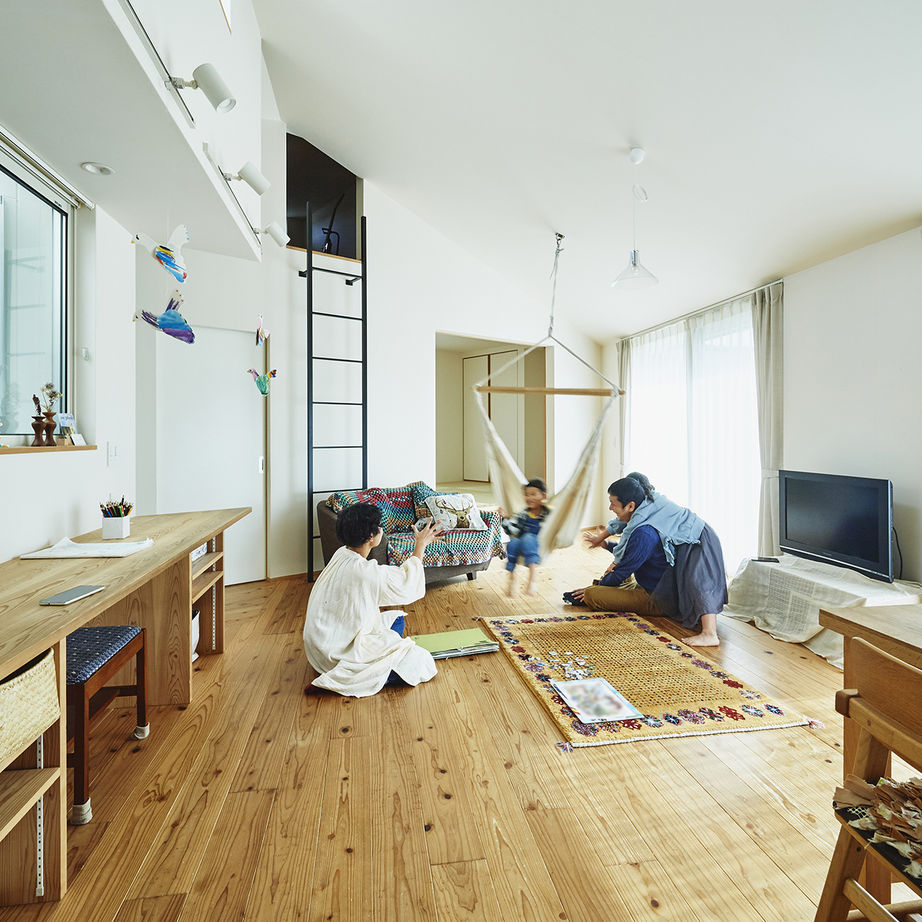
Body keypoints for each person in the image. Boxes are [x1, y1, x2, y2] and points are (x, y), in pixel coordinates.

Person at [565, 473, 727, 646]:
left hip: (698, 541)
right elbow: (628, 541)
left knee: (700, 580)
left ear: (631, 505)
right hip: (657, 584)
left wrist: (594, 589)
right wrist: (605, 542)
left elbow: (625, 563)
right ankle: (591, 591)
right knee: (606, 583)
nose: (610, 507)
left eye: (613, 503)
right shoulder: (645, 510)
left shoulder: (644, 529)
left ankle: (709, 633)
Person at [303, 502, 443, 696]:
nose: (381, 530)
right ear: (370, 537)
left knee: (397, 619)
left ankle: (364, 666)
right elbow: (406, 583)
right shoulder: (365, 572)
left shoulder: (341, 553)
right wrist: (421, 544)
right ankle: (342, 680)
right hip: (336, 655)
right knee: (422, 660)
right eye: (379, 527)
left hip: (319, 647)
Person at [501, 478, 550, 597]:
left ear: (543, 496)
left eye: (533, 494)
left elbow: (552, 529)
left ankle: (532, 579)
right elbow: (514, 530)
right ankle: (511, 579)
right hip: (522, 543)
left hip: (536, 544)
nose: (529, 498)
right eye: (527, 495)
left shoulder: (548, 514)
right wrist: (505, 519)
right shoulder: (523, 514)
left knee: (528, 537)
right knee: (512, 542)